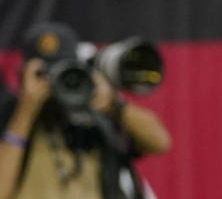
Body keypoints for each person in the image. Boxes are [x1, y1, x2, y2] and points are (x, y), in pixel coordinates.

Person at [0, 22, 171, 199]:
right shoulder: (11, 113)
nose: (56, 82)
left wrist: (114, 105)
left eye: (65, 71)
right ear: (24, 74)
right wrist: (26, 110)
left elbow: (160, 143)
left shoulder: (95, 112)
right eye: (45, 73)